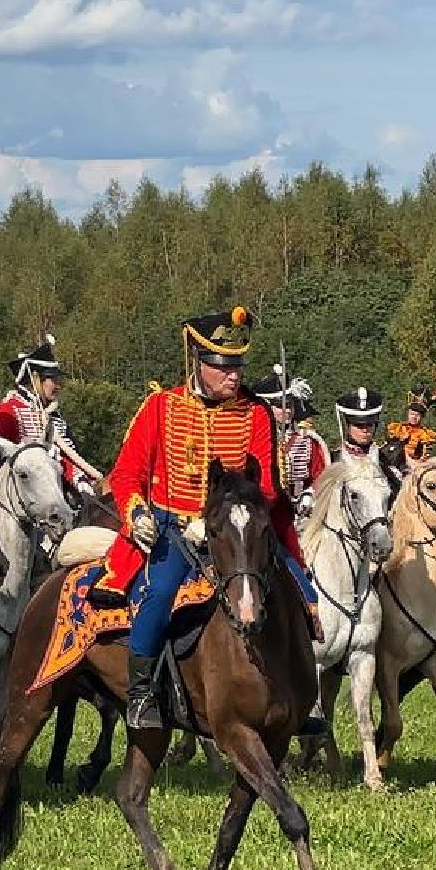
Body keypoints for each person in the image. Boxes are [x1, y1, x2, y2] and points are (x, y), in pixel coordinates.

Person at [95, 307, 313, 731]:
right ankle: (141, 695)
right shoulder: (160, 407)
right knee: (159, 594)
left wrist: (231, 508)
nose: (233, 375)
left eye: (238, 365)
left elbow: (268, 487)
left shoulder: (256, 414)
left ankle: (301, 696)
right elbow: (126, 475)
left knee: (298, 592)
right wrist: (137, 511)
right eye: (222, 365)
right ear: (198, 362)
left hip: (235, 528)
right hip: (172, 528)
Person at [0, 334, 97, 495]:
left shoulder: (53, 414)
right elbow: (5, 461)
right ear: (35, 379)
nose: (58, 386)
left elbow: (66, 455)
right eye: (52, 380)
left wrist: (79, 477)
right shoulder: (8, 410)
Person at [252, 367, 328, 517]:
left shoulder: (308, 440)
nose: (287, 410)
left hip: (301, 513)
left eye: (290, 405)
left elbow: (320, 474)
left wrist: (310, 493)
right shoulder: (254, 440)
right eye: (280, 405)